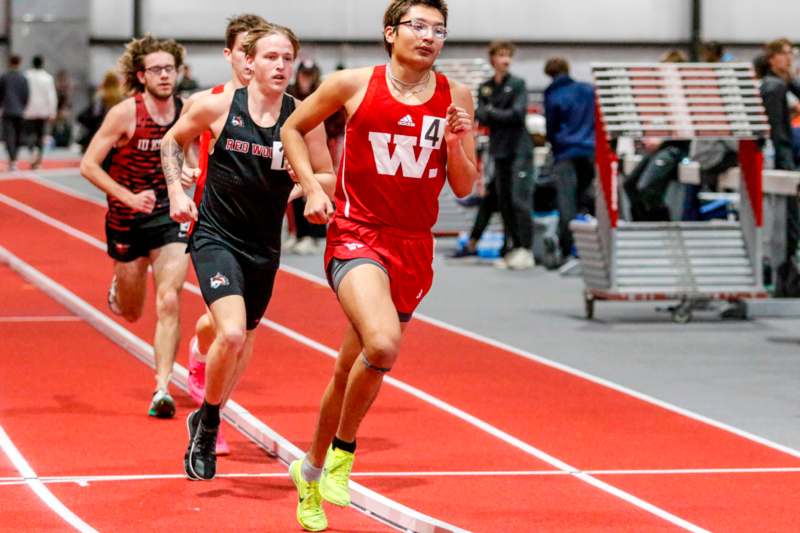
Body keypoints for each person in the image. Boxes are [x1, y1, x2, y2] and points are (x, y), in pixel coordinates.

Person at [281, 0, 478, 529]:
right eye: (418, 26)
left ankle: (312, 470)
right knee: (384, 343)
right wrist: (308, 187)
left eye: (439, 30)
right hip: (357, 235)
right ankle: (345, 451)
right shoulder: (351, 84)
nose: (429, 36)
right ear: (391, 33)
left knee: (351, 367)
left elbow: (464, 184)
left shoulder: (456, 96)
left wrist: (459, 139)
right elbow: (293, 129)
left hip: (414, 247)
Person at [163, 23, 334, 482]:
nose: (280, 66)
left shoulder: (301, 119)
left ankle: (206, 415)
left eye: (287, 59)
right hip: (215, 235)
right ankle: (210, 422)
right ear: (249, 62)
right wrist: (178, 195)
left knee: (242, 338)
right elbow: (170, 142)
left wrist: (311, 192)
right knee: (234, 334)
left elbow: (327, 174)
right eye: (270, 57)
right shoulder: (217, 107)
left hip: (264, 246)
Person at [79, 35, 189, 418]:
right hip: (126, 217)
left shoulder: (186, 110)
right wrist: (126, 197)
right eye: (156, 70)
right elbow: (89, 165)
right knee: (131, 311)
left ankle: (162, 388)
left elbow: (189, 154)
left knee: (170, 298)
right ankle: (120, 287)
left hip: (167, 214)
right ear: (141, 75)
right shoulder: (125, 113)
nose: (164, 76)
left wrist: (187, 172)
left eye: (169, 69)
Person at [179, 12, 267, 456]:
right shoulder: (209, 101)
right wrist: (186, 178)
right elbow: (178, 146)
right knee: (231, 330)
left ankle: (198, 353)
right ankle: (215, 422)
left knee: (229, 329)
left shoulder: (281, 108)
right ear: (231, 55)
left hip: (259, 233)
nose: (254, 62)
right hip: (210, 223)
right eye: (245, 52)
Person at [475, 40, 535, 269]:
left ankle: (526, 249)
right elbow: (480, 115)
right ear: (493, 59)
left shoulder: (518, 84)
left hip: (520, 150)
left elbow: (517, 114)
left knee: (520, 200)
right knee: (505, 201)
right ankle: (512, 247)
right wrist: (494, 113)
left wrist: (492, 111)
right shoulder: (486, 87)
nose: (506, 60)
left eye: (508, 55)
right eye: (501, 55)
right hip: (499, 150)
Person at [543, 56, 595, 260]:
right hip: (589, 152)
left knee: (567, 204)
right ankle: (590, 245)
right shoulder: (588, 89)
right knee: (586, 199)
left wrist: (554, 147)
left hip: (565, 152)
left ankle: (568, 249)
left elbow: (551, 127)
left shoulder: (553, 93)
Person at [760, 38, 800, 296]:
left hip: (783, 159)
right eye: (786, 54)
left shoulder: (781, 84)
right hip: (780, 162)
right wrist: (786, 168)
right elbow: (777, 132)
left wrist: (792, 79)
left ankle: (785, 279)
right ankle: (784, 281)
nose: (790, 59)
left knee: (788, 224)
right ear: (772, 58)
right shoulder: (773, 87)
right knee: (786, 223)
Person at [287, 59, 327, 254]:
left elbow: (333, 119)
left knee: (315, 186)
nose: (306, 79)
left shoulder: (321, 92)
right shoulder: (291, 92)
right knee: (295, 187)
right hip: (296, 144)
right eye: (304, 74)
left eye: (309, 75)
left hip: (318, 145)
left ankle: (317, 234)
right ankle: (300, 233)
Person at [22, 55, 57, 169]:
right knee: (40, 135)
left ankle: (32, 150)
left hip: (29, 110)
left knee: (29, 134)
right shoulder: (47, 78)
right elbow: (51, 96)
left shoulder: (26, 76)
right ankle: (38, 161)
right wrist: (52, 112)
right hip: (43, 111)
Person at [77, 70, 124, 153]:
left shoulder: (100, 95)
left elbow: (96, 113)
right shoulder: (121, 96)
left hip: (102, 125)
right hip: (117, 125)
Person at [0, 55, 30, 171]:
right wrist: (23, 107)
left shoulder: (4, 77)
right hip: (19, 111)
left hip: (7, 110)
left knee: (9, 136)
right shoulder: (23, 78)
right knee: (17, 136)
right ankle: (14, 158)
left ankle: (12, 159)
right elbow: (26, 95)